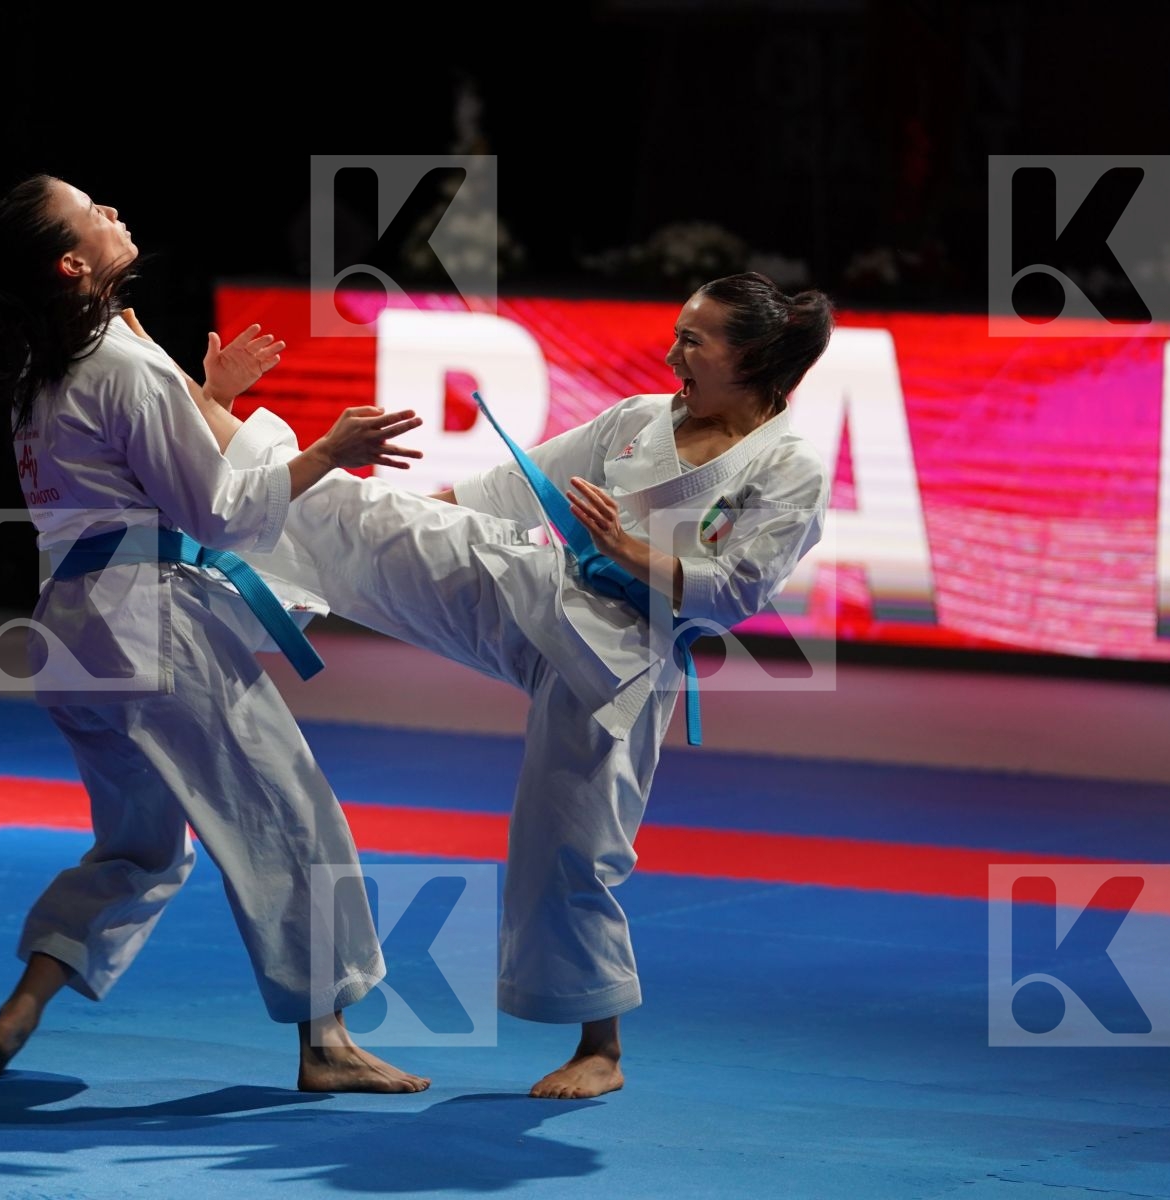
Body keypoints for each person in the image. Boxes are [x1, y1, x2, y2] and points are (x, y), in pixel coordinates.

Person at [169, 273, 833, 1099]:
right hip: (541, 592)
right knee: (373, 520)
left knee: (568, 841)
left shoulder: (791, 466)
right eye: (678, 334)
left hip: (627, 653)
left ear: (756, 358)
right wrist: (407, 513)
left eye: (695, 341)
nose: (673, 354)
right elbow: (501, 492)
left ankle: (602, 1049)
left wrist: (626, 552)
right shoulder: (638, 421)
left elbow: (736, 591)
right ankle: (214, 423)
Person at [0, 173, 432, 1093]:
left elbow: (127, 480)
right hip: (149, 625)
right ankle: (326, 1043)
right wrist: (325, 453)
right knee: (291, 816)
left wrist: (203, 394)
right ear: (72, 262)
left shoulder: (42, 372)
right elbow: (217, 511)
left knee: (142, 842)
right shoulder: (124, 366)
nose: (114, 211)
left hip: (66, 629)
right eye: (92, 212)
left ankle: (25, 1003)